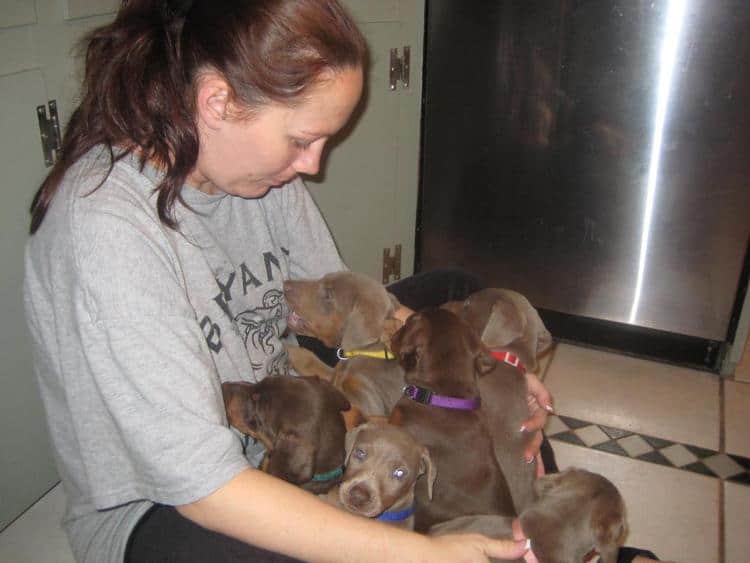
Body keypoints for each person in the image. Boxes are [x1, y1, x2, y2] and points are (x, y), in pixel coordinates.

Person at [23, 1, 546, 562]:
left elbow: (346, 311)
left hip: (295, 409)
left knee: (459, 297)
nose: (313, 165)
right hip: (168, 505)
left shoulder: (259, 177)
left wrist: (495, 370)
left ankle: (537, 536)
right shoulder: (105, 228)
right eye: (301, 141)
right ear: (218, 102)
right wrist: (416, 555)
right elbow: (204, 486)